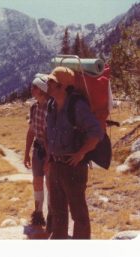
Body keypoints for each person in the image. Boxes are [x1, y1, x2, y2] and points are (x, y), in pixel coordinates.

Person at [45, 66, 103, 239]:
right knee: (58, 213)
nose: (47, 85)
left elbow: (96, 133)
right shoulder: (51, 105)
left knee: (79, 215)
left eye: (51, 82)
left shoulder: (77, 106)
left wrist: (81, 154)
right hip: (55, 165)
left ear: (62, 86)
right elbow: (50, 134)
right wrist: (49, 158)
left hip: (73, 167)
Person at [24, 74, 50, 227]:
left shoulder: (51, 108)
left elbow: (52, 135)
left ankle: (52, 215)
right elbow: (31, 131)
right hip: (38, 149)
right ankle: (38, 213)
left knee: (50, 184)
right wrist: (27, 152)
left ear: (41, 90)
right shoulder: (34, 107)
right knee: (37, 181)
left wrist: (49, 158)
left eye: (34, 87)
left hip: (49, 151)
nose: (31, 89)